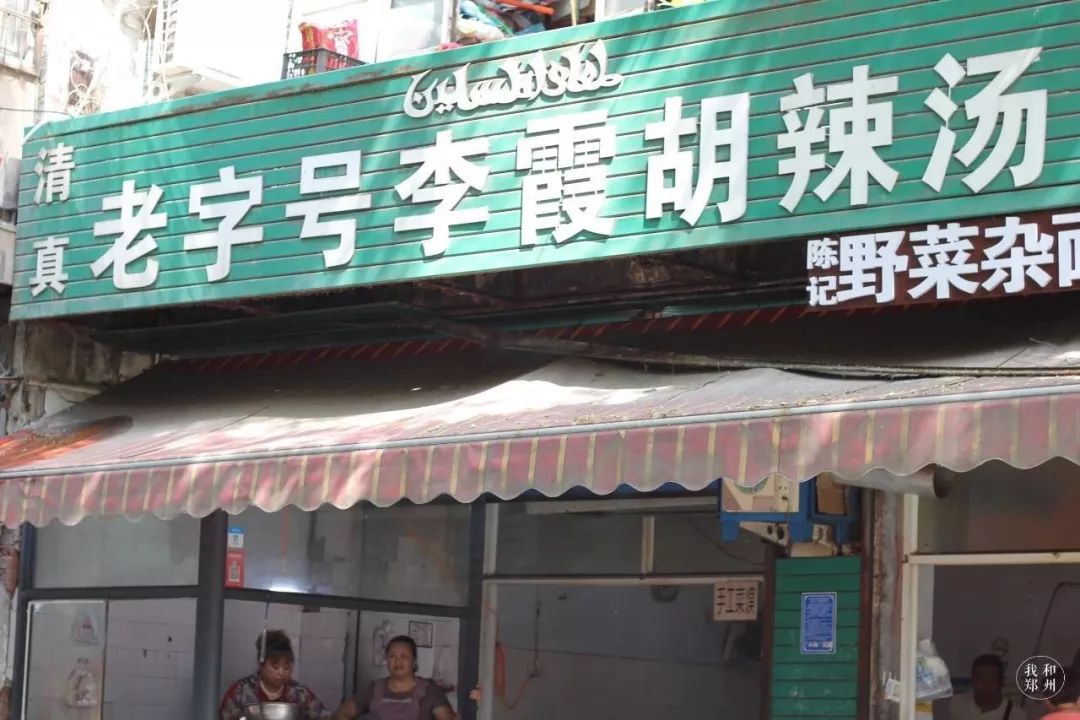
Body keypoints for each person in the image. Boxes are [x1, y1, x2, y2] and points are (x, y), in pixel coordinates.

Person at [331, 635, 456, 720]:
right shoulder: (374, 689)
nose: (397, 661)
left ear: (414, 661)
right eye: (392, 656)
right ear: (387, 660)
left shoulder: (430, 691)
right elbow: (341, 714)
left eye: (404, 656)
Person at [220, 630, 326, 720]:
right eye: (275, 667)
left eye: (286, 667)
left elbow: (321, 715)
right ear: (261, 664)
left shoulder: (300, 693)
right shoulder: (240, 692)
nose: (281, 673)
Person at [950, 654, 1014, 720]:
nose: (985, 684)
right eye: (980, 678)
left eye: (991, 679)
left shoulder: (1015, 715)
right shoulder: (957, 704)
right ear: (973, 681)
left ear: (1002, 682)